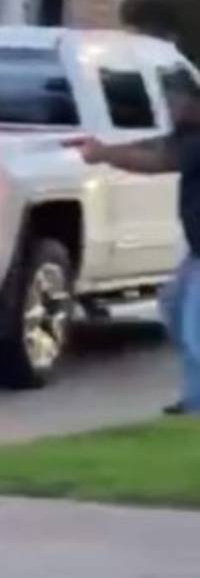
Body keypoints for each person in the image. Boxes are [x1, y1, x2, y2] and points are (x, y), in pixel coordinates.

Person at [78, 83, 200, 415]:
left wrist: (103, 154)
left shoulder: (195, 143)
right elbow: (153, 145)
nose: (172, 110)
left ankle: (196, 408)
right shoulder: (187, 135)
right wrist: (104, 147)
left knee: (194, 330)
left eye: (178, 103)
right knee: (174, 305)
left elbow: (157, 160)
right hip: (196, 251)